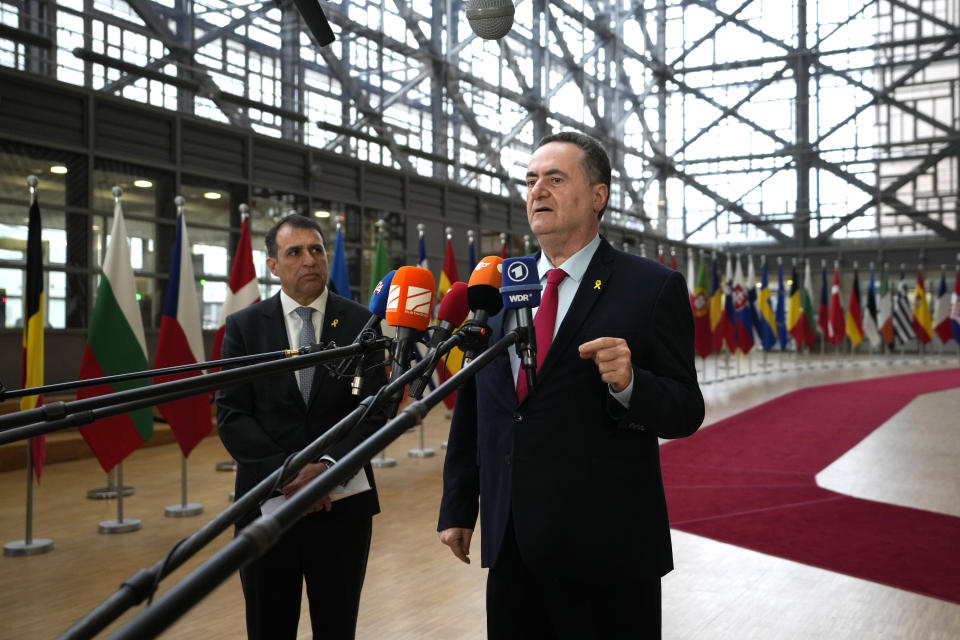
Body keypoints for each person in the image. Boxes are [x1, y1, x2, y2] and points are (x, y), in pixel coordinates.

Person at [437, 132, 705, 639]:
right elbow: (477, 405)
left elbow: (686, 409)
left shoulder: (650, 287)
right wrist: (458, 505)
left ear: (598, 196)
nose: (538, 190)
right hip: (512, 547)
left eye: (555, 179)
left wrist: (631, 385)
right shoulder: (496, 290)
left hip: (608, 555)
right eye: (531, 180)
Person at [217, 214, 388, 640]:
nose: (309, 260)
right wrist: (289, 472)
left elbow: (375, 410)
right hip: (267, 506)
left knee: (337, 627)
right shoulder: (245, 328)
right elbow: (232, 414)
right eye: (294, 252)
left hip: (342, 510)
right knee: (268, 627)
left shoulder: (362, 324)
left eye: (316, 250)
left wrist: (327, 468)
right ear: (273, 265)